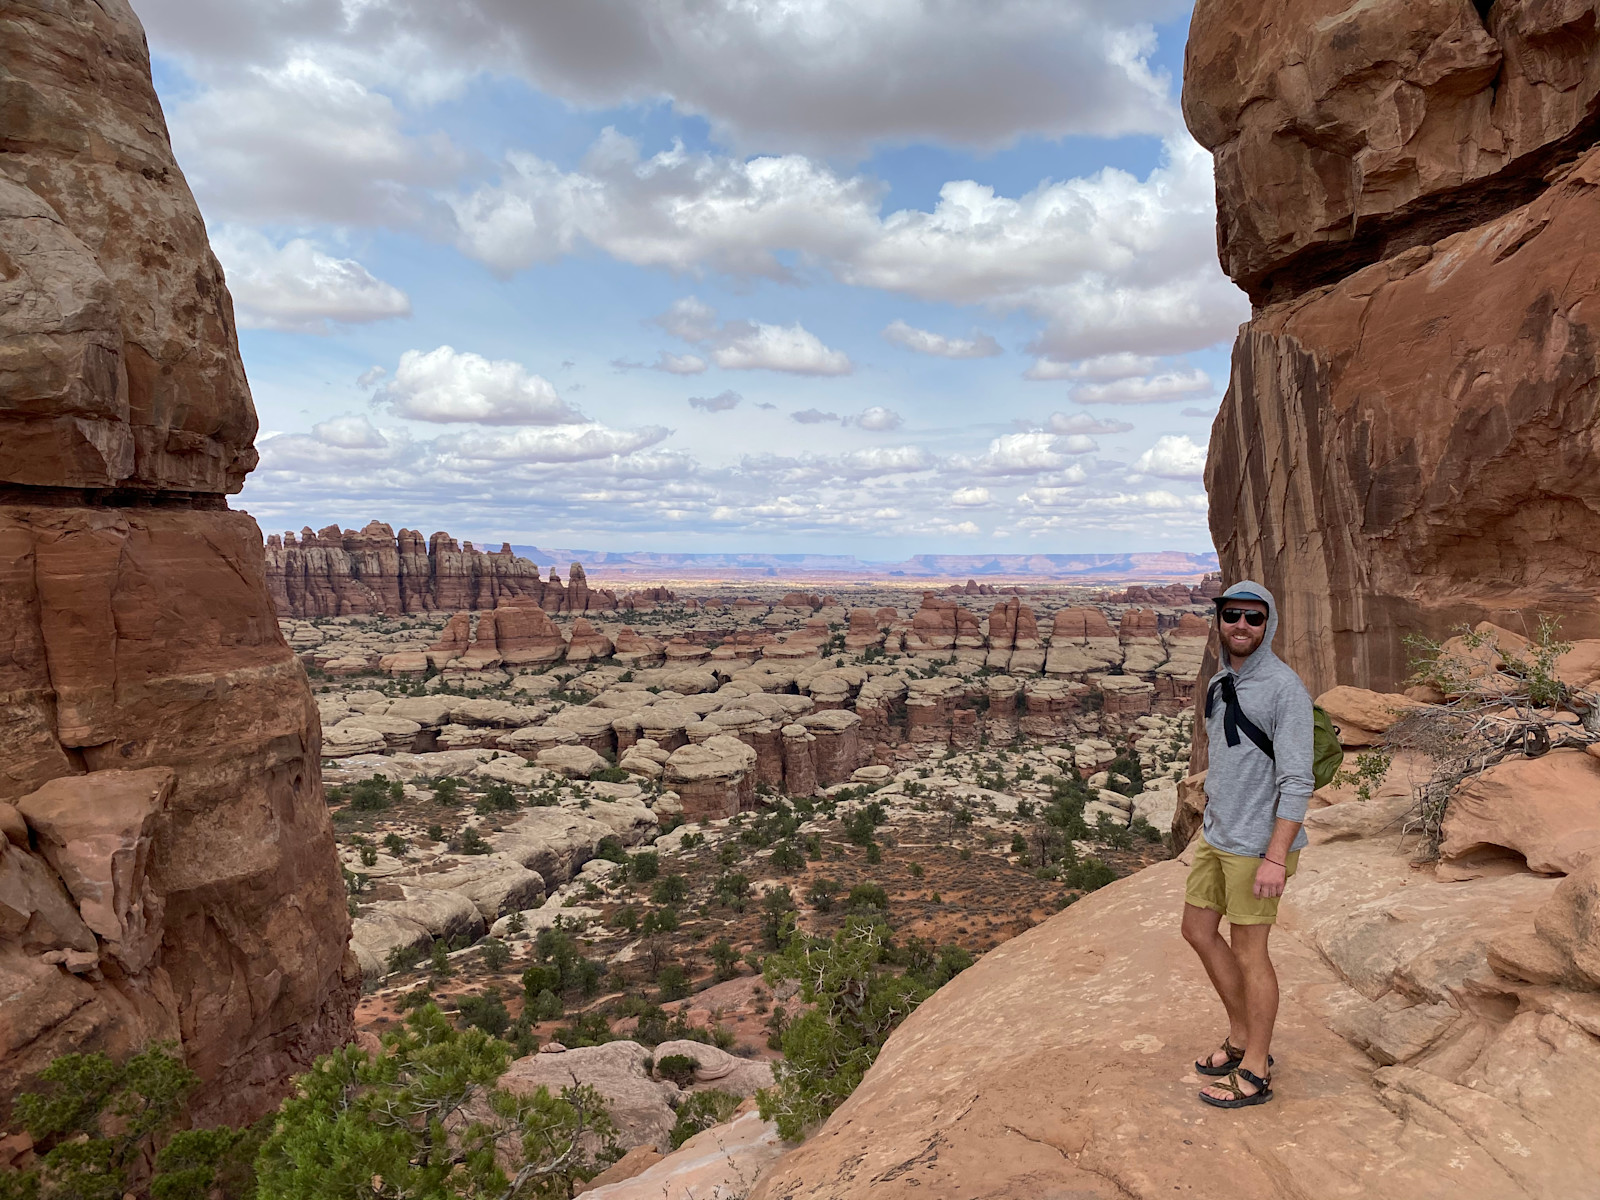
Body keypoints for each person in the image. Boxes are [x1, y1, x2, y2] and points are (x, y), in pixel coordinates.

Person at [1180, 580, 1313, 1109]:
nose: (1241, 626)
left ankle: (1256, 1068)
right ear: (1219, 620)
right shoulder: (1218, 683)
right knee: (1196, 930)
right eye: (1232, 615)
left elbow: (1297, 779)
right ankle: (1240, 1036)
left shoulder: (1285, 690)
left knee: (1250, 952)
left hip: (1258, 846)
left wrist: (1275, 855)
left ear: (1268, 625)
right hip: (1218, 835)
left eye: (1253, 618)